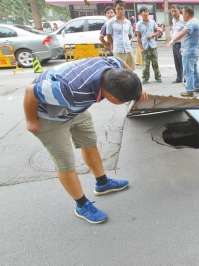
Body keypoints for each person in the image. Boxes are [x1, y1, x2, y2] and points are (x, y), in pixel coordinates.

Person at [23, 56, 148, 224]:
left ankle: (102, 183)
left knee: (89, 144)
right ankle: (81, 205)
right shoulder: (70, 89)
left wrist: (139, 90)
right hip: (48, 116)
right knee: (65, 163)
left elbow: (120, 61)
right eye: (123, 101)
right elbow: (30, 91)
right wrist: (31, 120)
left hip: (75, 109)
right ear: (111, 97)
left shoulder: (115, 67)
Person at [168, 7, 199, 97]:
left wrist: (173, 40)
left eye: (183, 13)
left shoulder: (191, 23)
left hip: (189, 51)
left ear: (187, 14)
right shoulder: (196, 21)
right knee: (194, 70)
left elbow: (183, 32)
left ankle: (189, 90)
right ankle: (197, 87)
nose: (182, 15)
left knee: (188, 71)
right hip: (194, 50)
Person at [106, 0, 135, 70]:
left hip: (128, 49)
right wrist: (114, 44)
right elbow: (108, 36)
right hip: (118, 50)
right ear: (115, 10)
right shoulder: (111, 22)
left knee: (130, 70)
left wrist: (127, 42)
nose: (120, 11)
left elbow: (130, 35)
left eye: (121, 9)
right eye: (118, 9)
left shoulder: (128, 22)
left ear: (124, 10)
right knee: (119, 70)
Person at [136, 7, 162, 84]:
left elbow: (159, 32)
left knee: (155, 63)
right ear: (140, 14)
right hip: (144, 46)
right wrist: (141, 48)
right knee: (145, 65)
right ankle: (145, 78)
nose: (145, 13)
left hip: (153, 46)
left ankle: (158, 77)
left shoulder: (153, 22)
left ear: (148, 13)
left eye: (146, 11)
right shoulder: (138, 24)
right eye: (143, 12)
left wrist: (153, 35)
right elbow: (138, 37)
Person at [170, 5, 185, 84]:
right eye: (172, 11)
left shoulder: (183, 19)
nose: (173, 13)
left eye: (175, 11)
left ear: (179, 10)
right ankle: (179, 78)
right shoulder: (173, 20)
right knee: (177, 62)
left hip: (181, 44)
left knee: (182, 62)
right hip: (175, 44)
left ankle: (186, 78)